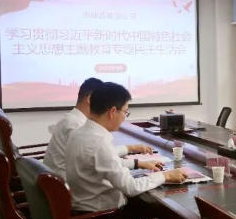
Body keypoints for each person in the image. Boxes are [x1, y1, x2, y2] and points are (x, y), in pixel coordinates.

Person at [65, 82, 187, 212]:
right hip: (103, 217)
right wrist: (165, 176)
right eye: (125, 112)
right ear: (112, 112)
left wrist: (138, 163)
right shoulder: (99, 142)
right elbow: (131, 187)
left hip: (81, 209)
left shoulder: (79, 133)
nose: (124, 117)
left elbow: (104, 163)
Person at [43, 77, 154, 178]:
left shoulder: (72, 119)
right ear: (90, 99)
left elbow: (100, 154)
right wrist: (137, 163)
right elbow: (104, 159)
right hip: (65, 185)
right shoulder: (76, 125)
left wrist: (130, 148)